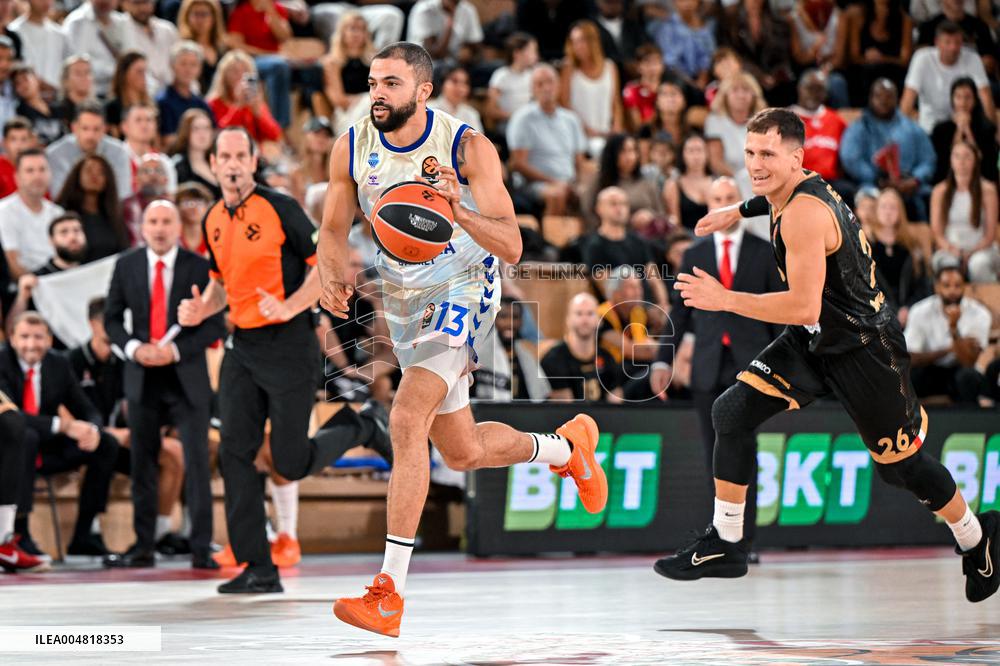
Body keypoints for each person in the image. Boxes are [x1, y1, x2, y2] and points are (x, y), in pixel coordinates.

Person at [655, 108, 1000, 607]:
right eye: (749, 152)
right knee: (729, 412)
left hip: (865, 350)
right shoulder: (792, 186)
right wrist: (738, 211)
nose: (755, 164)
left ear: (796, 157)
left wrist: (726, 298)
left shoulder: (802, 214)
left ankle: (977, 538)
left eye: (767, 154)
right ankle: (727, 542)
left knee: (900, 467)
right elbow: (777, 205)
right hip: (817, 339)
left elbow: (801, 305)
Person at [319, 42, 606, 637]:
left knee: (405, 418)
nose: (377, 93)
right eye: (373, 82)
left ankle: (389, 592)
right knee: (462, 451)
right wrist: (328, 274)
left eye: (391, 84)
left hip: (464, 284)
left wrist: (459, 210)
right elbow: (330, 228)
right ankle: (565, 449)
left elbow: (513, 245)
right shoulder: (351, 146)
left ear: (423, 91)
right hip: (401, 299)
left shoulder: (466, 146)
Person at [177, 126, 390, 594]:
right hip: (244, 349)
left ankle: (361, 425)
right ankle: (258, 567)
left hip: (291, 345)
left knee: (289, 463)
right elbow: (220, 284)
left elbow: (325, 266)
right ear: (212, 165)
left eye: (240, 155)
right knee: (235, 453)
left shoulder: (281, 208)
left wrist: (290, 307)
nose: (232, 164)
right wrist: (201, 309)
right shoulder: (213, 219)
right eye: (224, 156)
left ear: (253, 162)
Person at [651, 176, 783, 550]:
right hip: (707, 367)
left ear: (738, 204)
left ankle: (745, 542)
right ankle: (722, 538)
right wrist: (664, 361)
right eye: (716, 199)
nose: (723, 205)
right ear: (709, 206)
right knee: (715, 456)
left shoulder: (764, 250)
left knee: (745, 453)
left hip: (752, 367)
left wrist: (785, 368)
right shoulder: (694, 254)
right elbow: (680, 313)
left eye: (730, 199)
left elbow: (778, 316)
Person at [102, 200, 223, 569]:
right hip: (142, 377)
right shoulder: (126, 265)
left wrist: (173, 350)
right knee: (143, 462)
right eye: (152, 221)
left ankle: (201, 548)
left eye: (165, 221)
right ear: (142, 226)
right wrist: (134, 348)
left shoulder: (199, 267)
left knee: (198, 463)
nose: (158, 228)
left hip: (185, 375)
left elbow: (215, 324)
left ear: (177, 228)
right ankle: (143, 546)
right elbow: (111, 320)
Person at [0, 311, 119, 557]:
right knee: (25, 437)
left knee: (106, 443)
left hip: (49, 447)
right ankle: (19, 534)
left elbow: (86, 408)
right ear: (11, 339)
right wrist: (63, 425)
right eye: (24, 337)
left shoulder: (59, 364)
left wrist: (92, 430)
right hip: (11, 448)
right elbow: (13, 418)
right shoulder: (1, 362)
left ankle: (84, 534)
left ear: (50, 340)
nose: (31, 344)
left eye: (38, 337)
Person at [839, 79, 936, 221]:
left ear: (897, 99)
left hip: (909, 185)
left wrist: (915, 180)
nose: (884, 101)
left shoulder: (912, 128)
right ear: (871, 98)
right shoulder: (859, 127)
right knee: (862, 201)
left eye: (889, 96)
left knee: (931, 195)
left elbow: (928, 160)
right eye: (879, 96)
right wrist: (876, 178)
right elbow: (849, 157)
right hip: (872, 184)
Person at [904, 258, 991, 404]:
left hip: (959, 371)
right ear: (937, 287)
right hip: (929, 370)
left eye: (957, 286)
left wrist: (954, 329)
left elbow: (968, 361)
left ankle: (968, 422)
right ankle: (913, 424)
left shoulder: (979, 313)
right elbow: (910, 358)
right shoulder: (919, 311)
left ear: (964, 287)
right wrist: (949, 350)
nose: (952, 291)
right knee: (908, 377)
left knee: (969, 377)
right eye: (946, 286)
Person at [507, 64, 586, 217]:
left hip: (568, 180)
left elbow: (579, 161)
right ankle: (552, 240)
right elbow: (518, 163)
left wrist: (580, 184)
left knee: (593, 193)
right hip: (535, 184)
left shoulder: (571, 119)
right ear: (532, 89)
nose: (546, 88)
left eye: (550, 82)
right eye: (540, 84)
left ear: (559, 85)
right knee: (557, 194)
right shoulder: (522, 118)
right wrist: (554, 181)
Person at [5, 213, 88, 344]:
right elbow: (12, 332)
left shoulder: (90, 273)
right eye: (64, 232)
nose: (72, 237)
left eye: (77, 231)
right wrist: (22, 297)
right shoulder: (37, 278)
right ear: (51, 240)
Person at [901, 21, 995, 134]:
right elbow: (907, 100)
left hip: (965, 124)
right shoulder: (922, 59)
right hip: (931, 127)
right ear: (937, 43)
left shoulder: (973, 58)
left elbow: (986, 97)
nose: (953, 47)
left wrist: (992, 131)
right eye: (948, 42)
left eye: (957, 42)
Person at [930, 141, 1000, 283]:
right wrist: (954, 250)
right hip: (950, 249)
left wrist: (970, 253)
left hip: (981, 249)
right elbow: (937, 233)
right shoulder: (940, 191)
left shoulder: (988, 190)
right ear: (951, 160)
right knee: (948, 264)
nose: (961, 162)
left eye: (967, 156)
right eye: (957, 156)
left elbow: (990, 234)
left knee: (978, 264)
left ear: (975, 160)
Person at [541, 292, 622, 402]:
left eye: (590, 314)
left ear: (599, 320)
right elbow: (563, 410)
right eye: (579, 314)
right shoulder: (553, 359)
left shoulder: (607, 358)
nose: (585, 320)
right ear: (568, 320)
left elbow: (617, 403)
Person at [225, 0, 293, 129]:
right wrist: (266, 54)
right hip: (251, 60)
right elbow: (236, 45)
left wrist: (271, 11)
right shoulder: (241, 12)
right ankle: (280, 124)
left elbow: (284, 37)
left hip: (277, 61)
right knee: (279, 66)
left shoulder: (276, 8)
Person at [559, 20, 622, 157]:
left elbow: (615, 102)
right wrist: (585, 129)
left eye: (582, 41)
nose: (577, 46)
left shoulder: (610, 67)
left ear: (593, 42)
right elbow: (565, 104)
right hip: (580, 135)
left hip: (606, 133)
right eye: (574, 41)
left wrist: (616, 127)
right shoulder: (569, 68)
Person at [46, 102, 133, 201]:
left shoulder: (119, 152)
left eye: (96, 129)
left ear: (105, 128)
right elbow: (59, 195)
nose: (91, 135)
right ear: (74, 128)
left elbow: (123, 194)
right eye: (85, 128)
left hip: (109, 210)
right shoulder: (55, 153)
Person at [871, 187, 931, 325]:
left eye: (893, 207)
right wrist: (890, 310)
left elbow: (923, 285)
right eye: (883, 207)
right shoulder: (867, 247)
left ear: (900, 212)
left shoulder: (911, 246)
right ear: (876, 211)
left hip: (911, 314)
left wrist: (908, 308)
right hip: (878, 315)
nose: (888, 212)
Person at [0, 149, 64, 278]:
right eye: (30, 171)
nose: (37, 176)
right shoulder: (4, 211)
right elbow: (13, 263)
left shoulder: (58, 213)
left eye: (42, 170)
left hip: (59, 280)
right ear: (17, 177)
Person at [717, 0, 795, 106]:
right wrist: (758, 75)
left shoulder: (775, 19)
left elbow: (782, 54)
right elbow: (729, 52)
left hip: (773, 79)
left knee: (786, 89)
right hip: (744, 74)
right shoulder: (730, 18)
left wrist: (775, 75)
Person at [55, 154, 131, 260]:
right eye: (89, 171)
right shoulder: (62, 212)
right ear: (77, 176)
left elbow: (124, 250)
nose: (94, 176)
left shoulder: (114, 215)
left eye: (101, 172)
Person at [584, 133, 664, 229]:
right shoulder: (599, 182)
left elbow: (661, 215)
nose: (630, 157)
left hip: (647, 238)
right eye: (623, 151)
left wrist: (650, 217)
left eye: (633, 151)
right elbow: (588, 213)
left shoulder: (647, 183)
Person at [841, 0, 913, 106]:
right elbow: (854, 57)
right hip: (864, 72)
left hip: (893, 72)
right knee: (860, 74)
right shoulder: (858, 16)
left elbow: (905, 60)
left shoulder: (904, 19)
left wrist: (881, 58)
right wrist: (867, 59)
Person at [931, 77, 998, 185]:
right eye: (958, 97)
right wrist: (959, 130)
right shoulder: (940, 130)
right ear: (952, 99)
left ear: (975, 100)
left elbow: (985, 164)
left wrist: (967, 130)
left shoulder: (987, 129)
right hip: (948, 182)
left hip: (980, 182)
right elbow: (947, 162)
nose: (963, 103)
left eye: (968, 97)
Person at [206, 50, 282, 145]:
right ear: (224, 76)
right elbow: (218, 135)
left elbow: (275, 135)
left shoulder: (254, 102)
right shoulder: (213, 103)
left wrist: (258, 112)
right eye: (234, 71)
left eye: (245, 71)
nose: (240, 76)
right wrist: (238, 106)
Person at [319, 11, 373, 136]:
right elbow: (339, 100)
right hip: (346, 114)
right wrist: (364, 99)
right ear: (342, 32)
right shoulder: (331, 62)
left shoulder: (374, 60)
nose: (357, 34)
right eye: (352, 28)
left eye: (361, 29)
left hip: (372, 109)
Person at [63, 0, 130, 98]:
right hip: (90, 93)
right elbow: (78, 66)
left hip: (120, 92)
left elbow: (130, 57)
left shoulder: (122, 22)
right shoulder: (77, 22)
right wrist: (116, 72)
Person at [790, 69, 846, 186]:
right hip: (798, 184)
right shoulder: (784, 119)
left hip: (831, 185)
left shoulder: (837, 120)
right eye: (810, 88)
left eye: (819, 89)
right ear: (800, 88)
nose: (814, 94)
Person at [705, 72, 766, 177]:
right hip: (727, 182)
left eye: (746, 90)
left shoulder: (764, 122)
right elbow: (716, 162)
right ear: (725, 96)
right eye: (735, 90)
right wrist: (741, 182)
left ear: (754, 95)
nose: (741, 95)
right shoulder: (715, 121)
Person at [9, 0, 71, 99]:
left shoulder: (60, 34)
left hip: (56, 100)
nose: (46, 2)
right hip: (25, 101)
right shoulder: (14, 32)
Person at [649, 0, 715, 88]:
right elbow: (670, 62)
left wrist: (702, 79)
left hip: (702, 78)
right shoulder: (667, 27)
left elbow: (708, 55)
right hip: (677, 78)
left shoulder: (704, 27)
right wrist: (691, 84)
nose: (687, 3)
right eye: (682, 0)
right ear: (674, 3)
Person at [157, 41, 213, 143]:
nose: (188, 69)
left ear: (200, 69)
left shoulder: (201, 104)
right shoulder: (163, 101)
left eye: (193, 64)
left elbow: (213, 133)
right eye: (183, 63)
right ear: (172, 65)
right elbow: (167, 140)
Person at [121, 0, 178, 97]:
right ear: (124, 4)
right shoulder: (121, 29)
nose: (142, 8)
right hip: (141, 95)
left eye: (146, 2)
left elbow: (179, 62)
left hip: (172, 93)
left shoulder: (167, 29)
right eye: (137, 3)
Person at [485, 32, 537, 132]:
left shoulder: (532, 75)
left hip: (530, 122)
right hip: (509, 123)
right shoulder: (501, 76)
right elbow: (490, 110)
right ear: (517, 53)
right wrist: (516, 116)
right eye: (532, 51)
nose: (535, 55)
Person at [406, 0, 483, 63]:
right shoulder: (424, 10)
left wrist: (468, 50)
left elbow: (476, 45)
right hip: (425, 64)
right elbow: (434, 54)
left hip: (456, 63)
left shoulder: (468, 9)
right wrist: (449, 24)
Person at [176, 0, 226, 94]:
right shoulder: (183, 48)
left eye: (204, 14)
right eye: (195, 14)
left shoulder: (222, 48)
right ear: (187, 17)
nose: (200, 20)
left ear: (213, 17)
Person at [664, 133, 712, 231]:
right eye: (690, 151)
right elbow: (675, 222)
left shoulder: (717, 183)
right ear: (683, 155)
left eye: (699, 150)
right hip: (686, 238)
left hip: (714, 238)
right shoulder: (673, 185)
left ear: (707, 153)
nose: (696, 156)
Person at [170, 108, 218, 196]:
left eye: (206, 128)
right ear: (186, 132)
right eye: (196, 129)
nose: (202, 133)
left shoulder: (218, 162)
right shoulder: (178, 165)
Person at [11, 65, 62, 146]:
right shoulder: (20, 113)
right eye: (17, 84)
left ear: (37, 79)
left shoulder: (56, 108)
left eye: (25, 79)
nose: (23, 85)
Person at [105, 53, 152, 138]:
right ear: (125, 74)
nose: (144, 76)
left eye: (145, 71)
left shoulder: (151, 105)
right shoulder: (112, 107)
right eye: (139, 72)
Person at [290, 116, 332, 207]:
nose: (321, 138)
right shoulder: (296, 173)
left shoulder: (335, 171)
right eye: (317, 133)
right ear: (306, 136)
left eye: (326, 135)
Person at [622, 44, 665, 131]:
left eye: (657, 62)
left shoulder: (669, 88)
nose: (653, 67)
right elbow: (637, 126)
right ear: (638, 66)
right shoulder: (631, 90)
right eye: (648, 63)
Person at [429, 64, 482, 133]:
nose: (460, 88)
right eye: (454, 81)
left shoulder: (471, 114)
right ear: (442, 83)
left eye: (465, 83)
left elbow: (477, 142)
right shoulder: (428, 109)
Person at [52, 56, 96, 133]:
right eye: (78, 73)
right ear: (66, 80)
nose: (84, 77)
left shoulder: (102, 109)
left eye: (87, 72)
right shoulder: (55, 111)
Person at [174, 181, 212, 256]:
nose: (193, 207)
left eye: (199, 202)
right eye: (187, 202)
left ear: (207, 206)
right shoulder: (172, 235)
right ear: (177, 207)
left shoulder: (215, 235)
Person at [0, 116, 33, 200]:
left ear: (31, 142)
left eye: (24, 139)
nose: (19, 145)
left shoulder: (38, 166)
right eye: (13, 139)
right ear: (4, 142)